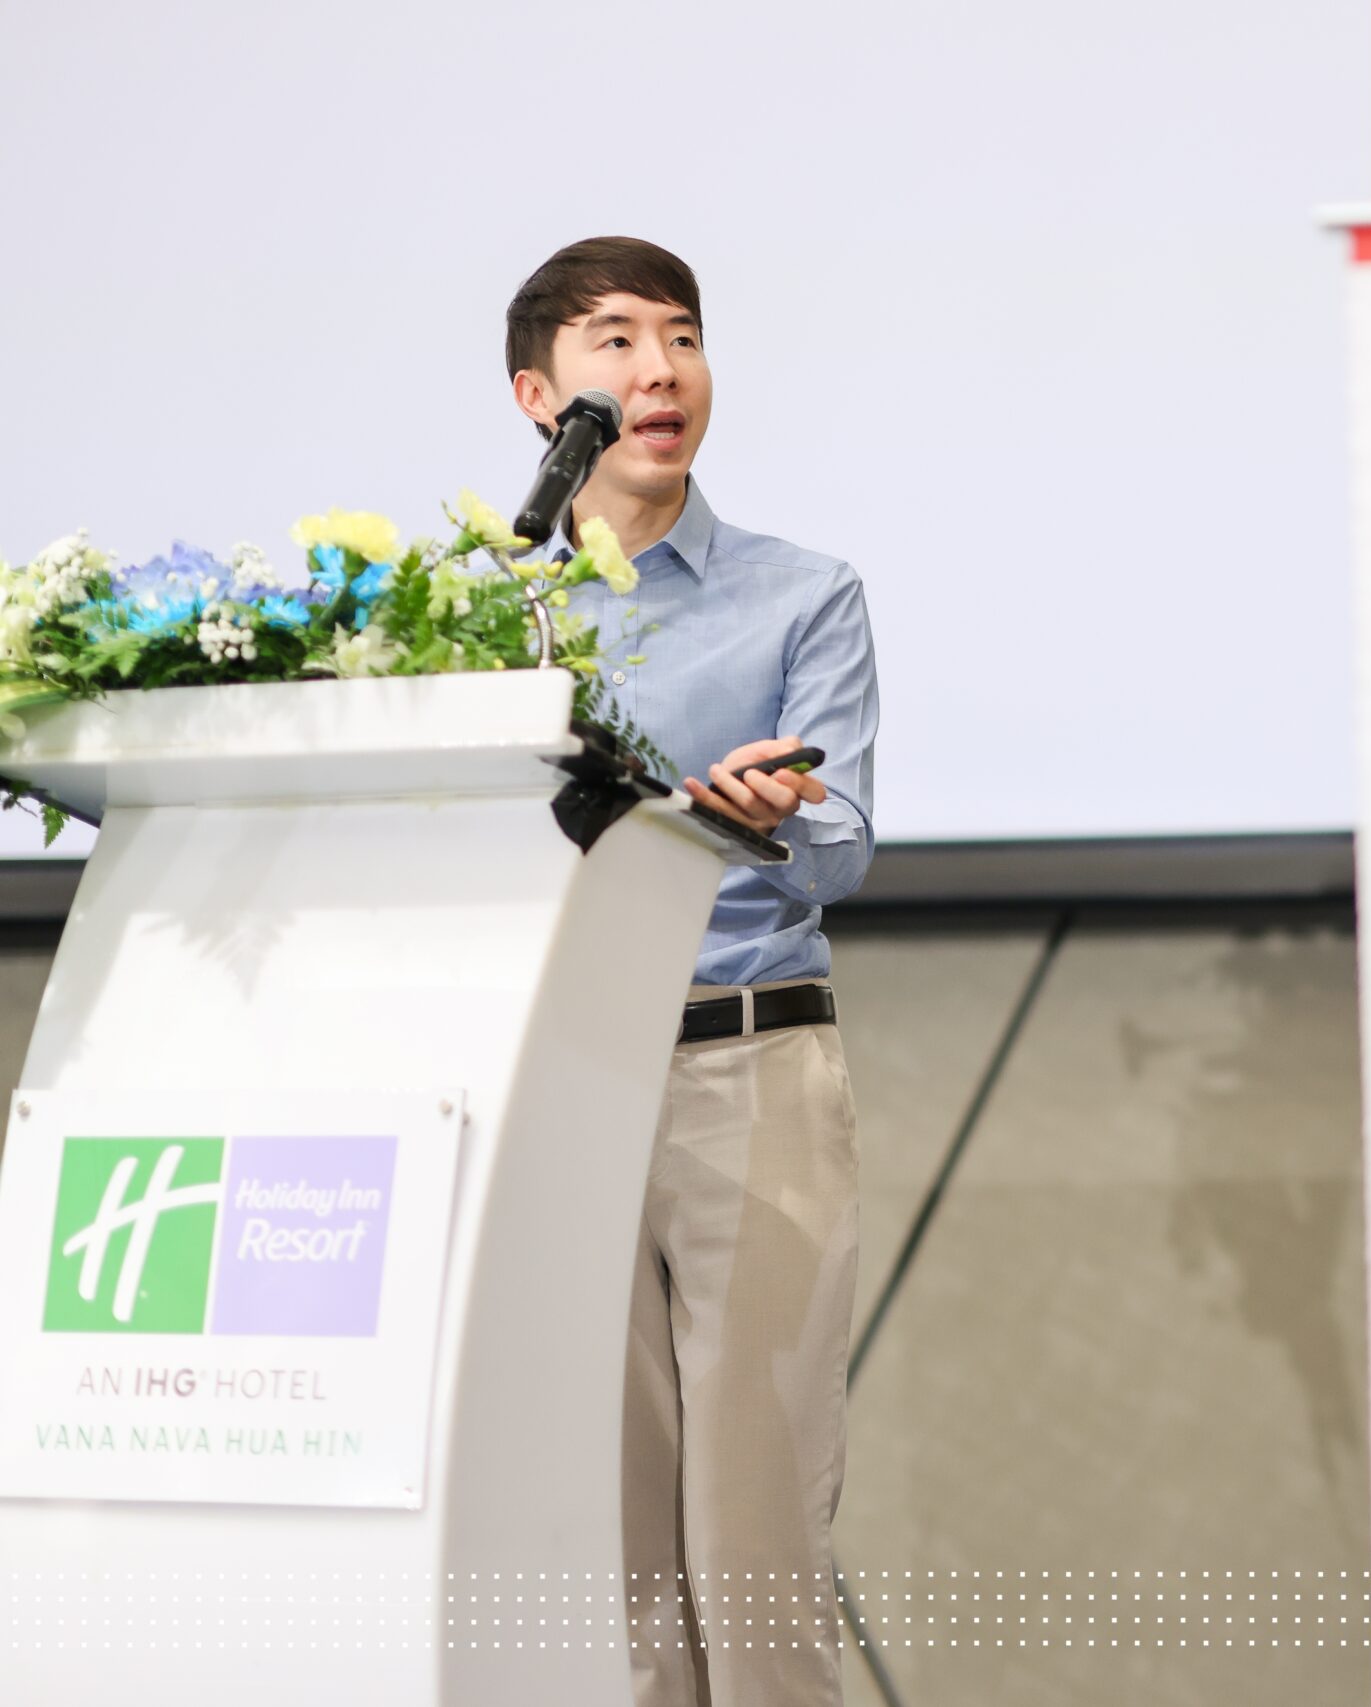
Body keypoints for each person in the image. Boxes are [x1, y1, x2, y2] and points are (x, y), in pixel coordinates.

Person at [504, 235, 879, 1707]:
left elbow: (841, 850)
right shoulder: (484, 610)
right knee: (613, 1564)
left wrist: (769, 817)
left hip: (749, 1064)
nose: (659, 371)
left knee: (756, 1543)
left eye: (682, 336)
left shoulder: (803, 593)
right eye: (615, 340)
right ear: (541, 396)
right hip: (553, 1083)